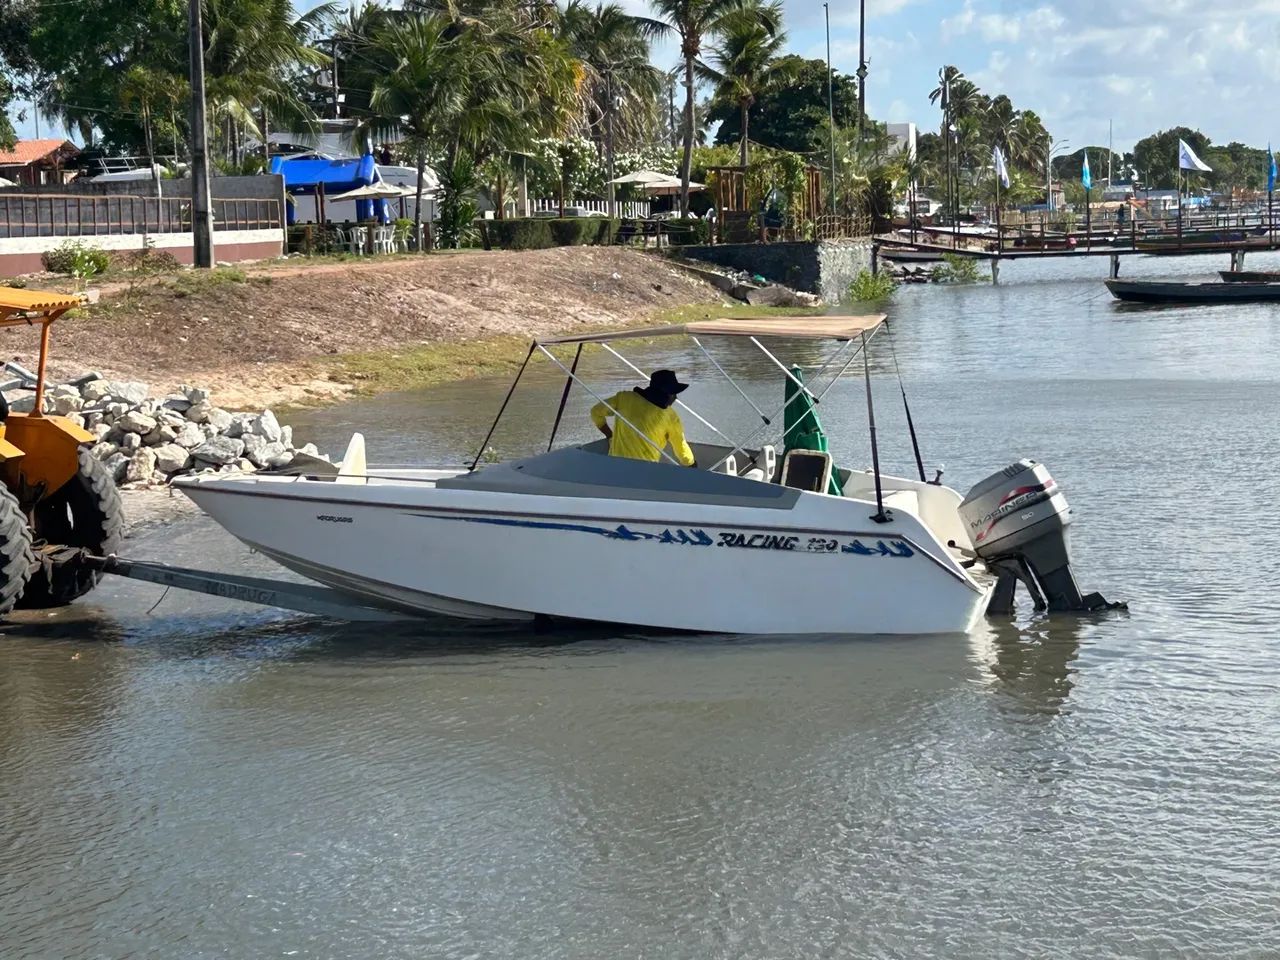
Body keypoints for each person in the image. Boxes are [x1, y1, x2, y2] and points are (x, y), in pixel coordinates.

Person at [590, 370, 696, 467]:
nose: (676, 397)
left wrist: (609, 435)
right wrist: (692, 465)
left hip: (615, 465)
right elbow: (682, 452)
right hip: (645, 473)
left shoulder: (624, 398)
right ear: (666, 394)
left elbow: (595, 412)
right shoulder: (670, 417)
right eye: (674, 393)